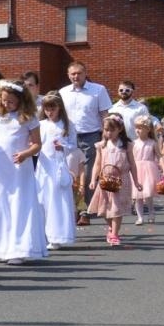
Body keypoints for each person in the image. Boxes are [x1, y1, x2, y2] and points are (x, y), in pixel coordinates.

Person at [0, 80, 47, 264]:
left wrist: (26, 153)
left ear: (21, 100)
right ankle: (1, 246)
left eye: (11, 101)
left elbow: (37, 144)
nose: (6, 104)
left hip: (19, 168)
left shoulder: (28, 118)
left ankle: (18, 248)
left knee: (18, 205)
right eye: (4, 100)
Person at [60, 62, 112, 225]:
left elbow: (105, 114)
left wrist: (106, 137)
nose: (76, 76)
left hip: (91, 135)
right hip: (68, 137)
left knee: (89, 173)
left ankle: (86, 211)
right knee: (69, 172)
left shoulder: (98, 90)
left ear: (85, 73)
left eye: (79, 73)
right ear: (68, 75)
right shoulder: (63, 92)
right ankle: (71, 209)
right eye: (73, 74)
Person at [86, 115, 140, 242]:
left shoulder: (126, 145)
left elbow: (132, 164)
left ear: (119, 129)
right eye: (106, 130)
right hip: (105, 180)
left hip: (121, 180)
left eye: (112, 130)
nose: (108, 133)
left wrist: (136, 181)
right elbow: (97, 164)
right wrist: (93, 179)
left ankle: (115, 234)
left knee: (117, 208)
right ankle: (111, 227)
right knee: (104, 208)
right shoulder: (101, 145)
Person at [35, 92, 78, 248]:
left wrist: (63, 147)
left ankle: (57, 235)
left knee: (56, 200)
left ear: (59, 108)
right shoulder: (41, 124)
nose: (49, 112)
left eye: (52, 108)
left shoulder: (67, 125)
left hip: (58, 165)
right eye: (47, 109)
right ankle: (42, 235)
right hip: (43, 165)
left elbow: (73, 145)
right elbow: (35, 144)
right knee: (41, 199)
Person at [129, 117, 162, 225]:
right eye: (136, 128)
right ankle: (140, 217)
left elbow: (159, 156)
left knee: (148, 194)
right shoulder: (133, 143)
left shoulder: (152, 143)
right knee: (137, 195)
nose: (137, 130)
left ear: (147, 129)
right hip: (136, 170)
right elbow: (130, 158)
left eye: (140, 128)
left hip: (148, 169)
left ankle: (151, 212)